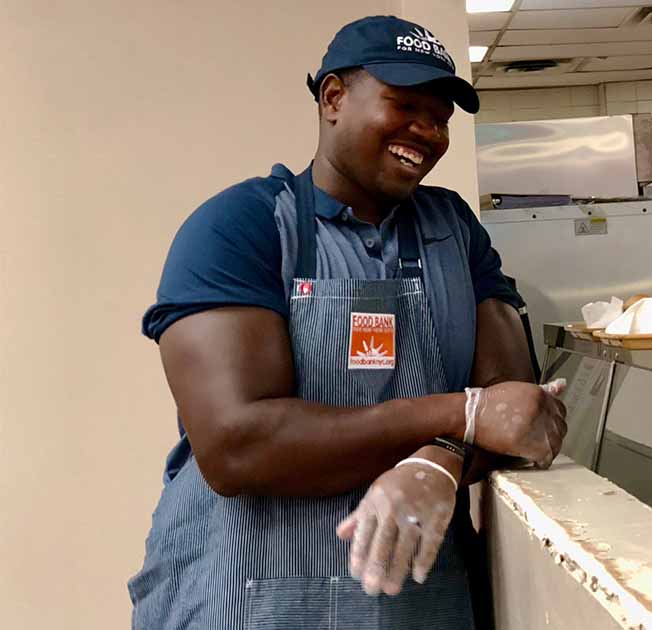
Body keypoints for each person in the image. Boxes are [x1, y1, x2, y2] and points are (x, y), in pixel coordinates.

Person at [128, 16, 568, 630]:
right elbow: (238, 446)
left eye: (440, 116)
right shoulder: (242, 227)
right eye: (405, 103)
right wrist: (457, 417)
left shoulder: (452, 229)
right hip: (241, 600)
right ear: (333, 98)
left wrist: (438, 461)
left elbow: (515, 410)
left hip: (420, 605)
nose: (428, 130)